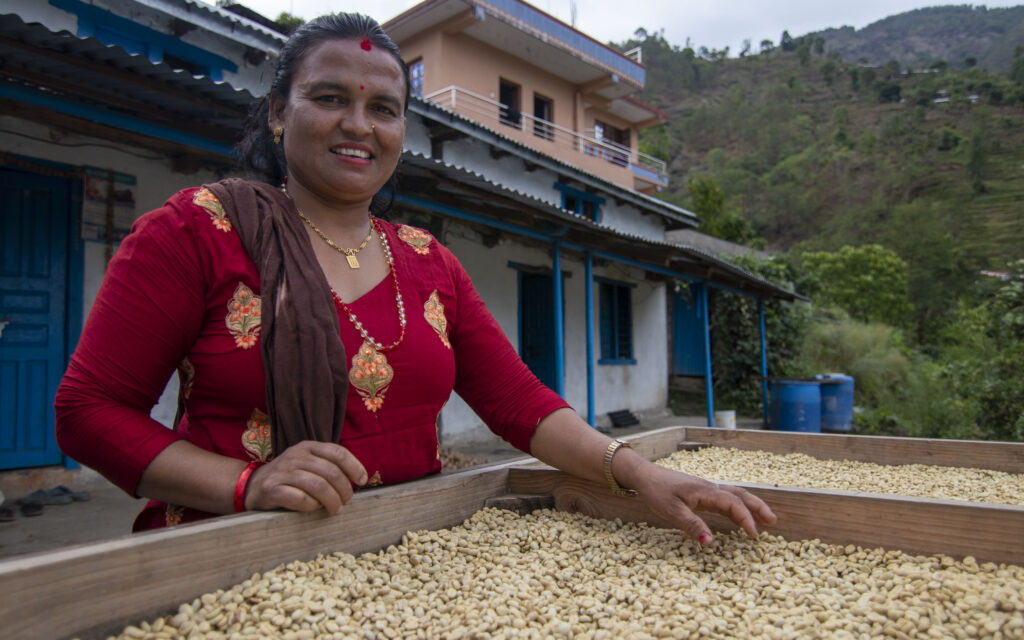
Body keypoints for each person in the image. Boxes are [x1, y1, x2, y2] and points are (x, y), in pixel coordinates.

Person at [54, 13, 775, 544]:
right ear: (279, 113)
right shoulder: (198, 231)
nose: (358, 125)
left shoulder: (429, 263)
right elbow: (88, 410)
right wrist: (246, 483)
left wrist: (641, 472)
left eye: (384, 108)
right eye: (330, 97)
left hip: (406, 553)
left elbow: (520, 403)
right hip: (222, 551)